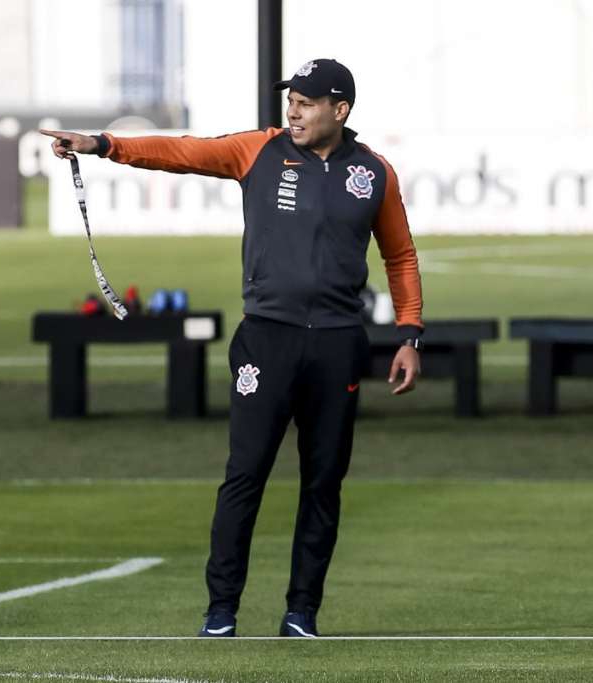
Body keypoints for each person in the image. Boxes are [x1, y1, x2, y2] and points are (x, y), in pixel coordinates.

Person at [42, 58, 423, 638]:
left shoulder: (374, 172)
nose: (293, 111)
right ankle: (221, 611)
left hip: (338, 345)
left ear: (340, 109)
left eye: (306, 102)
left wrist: (409, 333)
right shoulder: (258, 151)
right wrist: (103, 145)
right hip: (267, 340)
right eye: (291, 100)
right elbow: (183, 152)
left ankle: (301, 614)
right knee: (244, 475)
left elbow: (400, 256)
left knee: (323, 483)